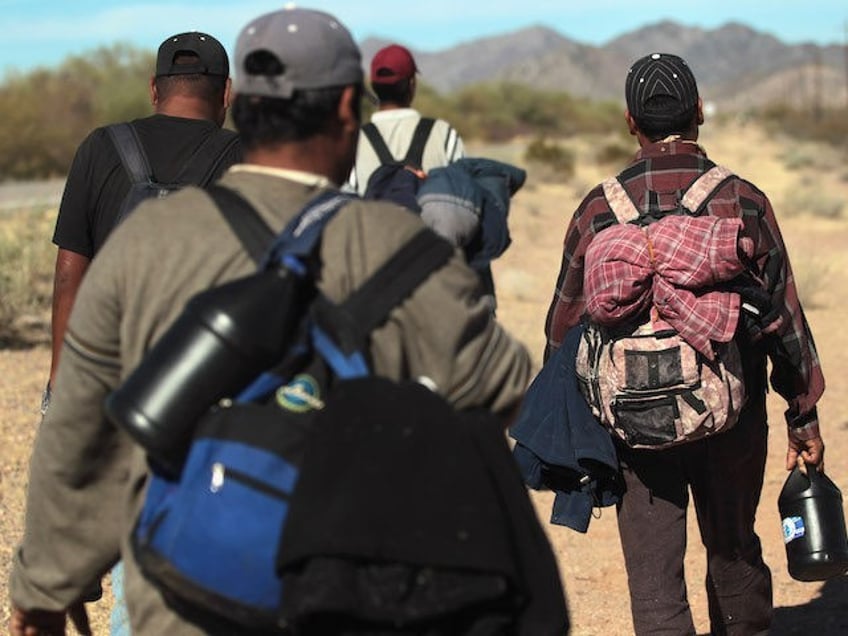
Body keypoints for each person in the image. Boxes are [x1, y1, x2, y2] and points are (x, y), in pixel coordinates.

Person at [9, 7, 537, 635]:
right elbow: (505, 390)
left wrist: (44, 585)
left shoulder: (145, 238)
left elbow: (78, 420)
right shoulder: (394, 244)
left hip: (182, 593)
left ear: (245, 105)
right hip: (340, 590)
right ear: (348, 108)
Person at [543, 52, 825, 635]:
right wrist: (804, 417)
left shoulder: (598, 209)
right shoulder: (742, 200)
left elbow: (561, 331)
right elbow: (783, 321)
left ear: (629, 121)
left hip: (635, 423)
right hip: (733, 414)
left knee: (653, 578)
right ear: (699, 113)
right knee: (734, 552)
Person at [44, 30, 242, 408]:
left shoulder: (99, 147)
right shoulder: (244, 157)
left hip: (110, 369)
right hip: (204, 375)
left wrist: (61, 377)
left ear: (154, 88)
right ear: (226, 92)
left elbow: (69, 270)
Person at [347, 43, 465, 194]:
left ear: (373, 86)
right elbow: (464, 193)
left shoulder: (354, 142)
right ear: (412, 84)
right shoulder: (444, 134)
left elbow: (346, 199)